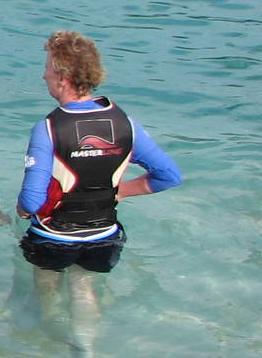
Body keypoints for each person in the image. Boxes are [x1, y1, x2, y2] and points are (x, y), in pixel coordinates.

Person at [18, 30, 182, 272]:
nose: (44, 75)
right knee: (86, 295)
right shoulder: (126, 124)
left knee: (47, 296)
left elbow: (32, 202)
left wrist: (21, 211)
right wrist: (121, 191)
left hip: (54, 237)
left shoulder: (48, 129)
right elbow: (170, 176)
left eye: (47, 68)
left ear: (62, 77)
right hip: (104, 237)